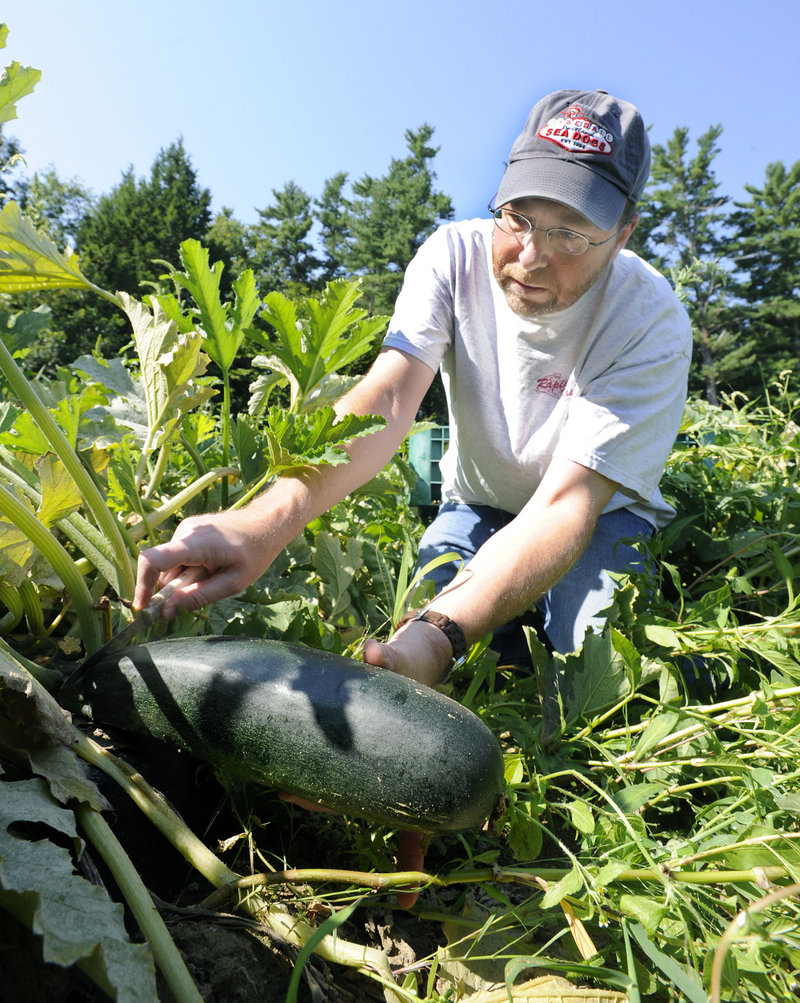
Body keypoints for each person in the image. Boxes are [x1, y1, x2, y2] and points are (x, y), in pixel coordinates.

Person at [134, 90, 691, 904]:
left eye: (570, 232)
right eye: (518, 217)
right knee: (428, 651)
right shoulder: (453, 255)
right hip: (476, 498)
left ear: (624, 233)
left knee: (588, 669)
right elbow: (390, 399)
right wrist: (266, 519)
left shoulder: (651, 320)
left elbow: (566, 505)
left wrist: (439, 632)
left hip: (599, 511)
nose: (531, 256)